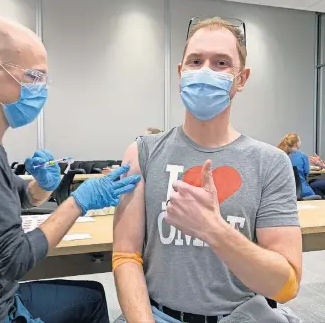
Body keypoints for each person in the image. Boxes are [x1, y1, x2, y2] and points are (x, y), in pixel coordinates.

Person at [0, 17, 141, 323]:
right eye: (34, 76)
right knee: (89, 303)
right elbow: (16, 259)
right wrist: (78, 202)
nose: (41, 89)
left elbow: (19, 198)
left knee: (91, 295)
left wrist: (42, 186)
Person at [112, 17, 302, 323]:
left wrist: (214, 230)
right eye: (196, 61)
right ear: (180, 72)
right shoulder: (142, 153)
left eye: (221, 63)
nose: (205, 72)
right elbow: (125, 256)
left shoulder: (270, 163)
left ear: (242, 79)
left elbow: (285, 286)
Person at [277, 133, 315, 197]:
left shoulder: (276, 155)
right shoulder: (302, 156)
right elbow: (306, 175)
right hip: (301, 191)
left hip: (280, 192)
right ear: (296, 143)